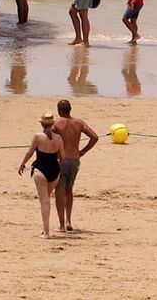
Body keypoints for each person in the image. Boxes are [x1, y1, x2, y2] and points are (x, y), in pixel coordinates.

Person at [52, 99, 99, 233]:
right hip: (74, 159)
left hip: (61, 160)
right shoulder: (79, 123)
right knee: (69, 190)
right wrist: (83, 151)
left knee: (59, 192)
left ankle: (61, 225)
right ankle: (68, 221)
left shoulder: (57, 123)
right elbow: (94, 137)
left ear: (59, 111)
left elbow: (48, 135)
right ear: (70, 110)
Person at [17, 112, 65, 238]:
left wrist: (22, 164)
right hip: (55, 170)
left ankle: (47, 232)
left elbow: (30, 152)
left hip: (41, 170)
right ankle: (45, 230)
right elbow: (63, 158)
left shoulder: (38, 136)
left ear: (42, 124)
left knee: (44, 202)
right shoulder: (58, 138)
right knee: (47, 200)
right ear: (53, 123)